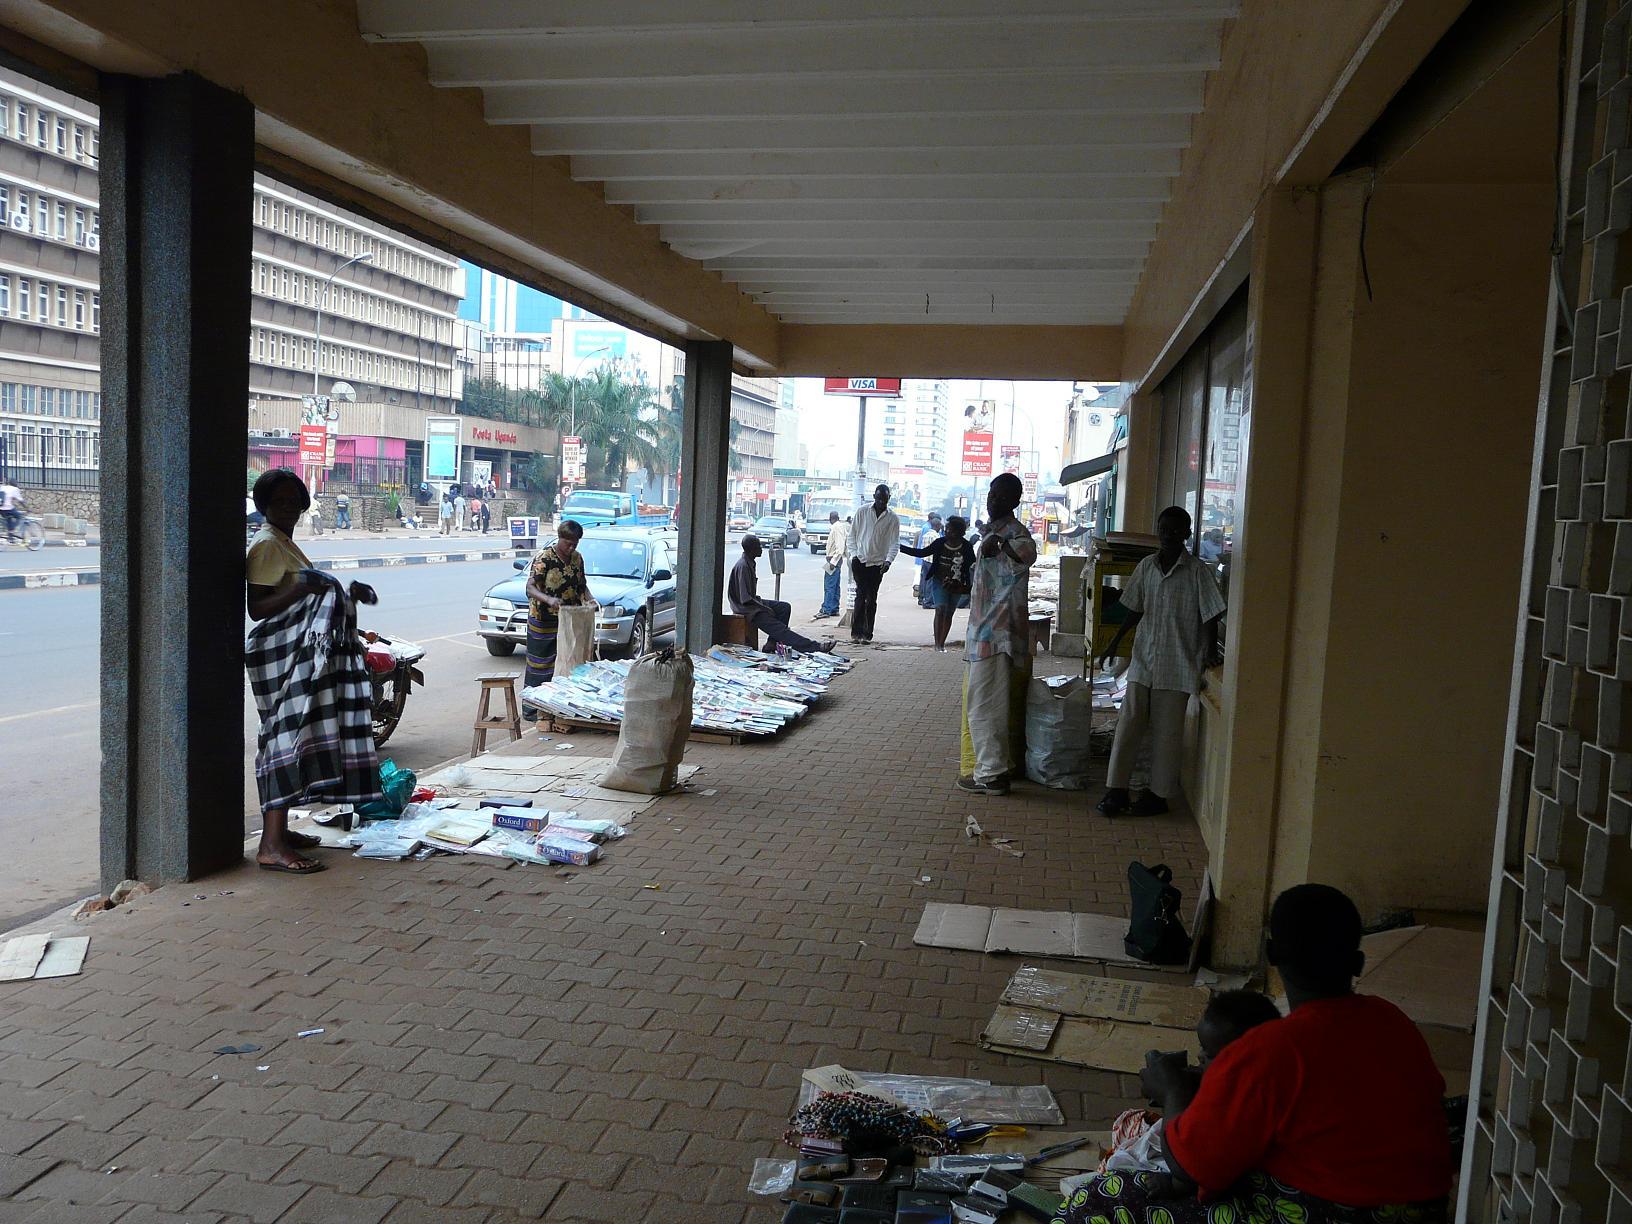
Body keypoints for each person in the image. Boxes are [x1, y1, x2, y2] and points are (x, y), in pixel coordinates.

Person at [1062, 885, 1454, 1224]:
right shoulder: (1392, 1020)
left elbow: (1191, 1166)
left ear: (1271, 953)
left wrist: (1172, 1091)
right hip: (1425, 1209)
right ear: (1358, 962)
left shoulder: (1273, 1048)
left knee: (1097, 1200)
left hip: (1331, 1211)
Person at [244, 468, 380, 875]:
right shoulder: (266, 544)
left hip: (300, 658)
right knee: (282, 740)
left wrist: (345, 595)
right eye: (280, 501)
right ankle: (270, 846)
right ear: (264, 505)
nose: (289, 507)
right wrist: (303, 586)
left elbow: (308, 602)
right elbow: (258, 608)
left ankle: (280, 833)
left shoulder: (283, 543)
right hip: (284, 660)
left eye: (295, 501)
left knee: (296, 737)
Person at [1097, 506, 1226, 817]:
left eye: (1176, 530)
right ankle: (1116, 790)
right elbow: (1134, 608)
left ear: (1187, 534)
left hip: (1178, 664)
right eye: (1164, 529)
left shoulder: (1198, 572)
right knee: (1128, 725)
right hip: (1144, 660)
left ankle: (1158, 797)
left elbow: (1211, 614)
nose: (1169, 535)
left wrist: (1210, 649)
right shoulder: (1146, 566)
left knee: (1167, 734)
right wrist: (1114, 642)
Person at [1097, 991, 1282, 1186]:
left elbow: (1189, 1165)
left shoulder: (1251, 1109)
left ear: (1244, 1066)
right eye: (1202, 1047)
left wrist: (1173, 1094)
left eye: (1209, 1054)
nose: (1200, 1056)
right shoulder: (1256, 1084)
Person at [958, 474, 1036, 795]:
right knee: (985, 703)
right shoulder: (990, 533)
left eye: (1002, 497)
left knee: (985, 705)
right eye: (992, 494)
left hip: (997, 634)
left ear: (1015, 502)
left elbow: (1026, 554)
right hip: (983, 632)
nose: (994, 501)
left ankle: (992, 774)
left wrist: (1002, 545)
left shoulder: (1016, 534)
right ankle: (995, 768)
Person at [729, 536, 836, 655]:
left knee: (784, 607)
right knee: (780, 629)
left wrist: (764, 606)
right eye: (758, 546)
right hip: (746, 608)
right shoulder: (743, 566)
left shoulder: (749, 563)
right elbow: (745, 599)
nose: (761, 549)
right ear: (751, 549)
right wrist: (765, 608)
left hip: (752, 602)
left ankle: (771, 642)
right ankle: (814, 647)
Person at [524, 518, 592, 690]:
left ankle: (559, 700)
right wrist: (549, 600)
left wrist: (590, 599)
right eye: (568, 544)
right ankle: (535, 703)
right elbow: (530, 587)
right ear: (560, 538)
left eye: (575, 544)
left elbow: (582, 586)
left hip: (568, 620)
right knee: (541, 665)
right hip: (543, 620)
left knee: (567, 661)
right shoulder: (545, 557)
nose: (571, 548)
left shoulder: (577, 558)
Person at [899, 515, 975, 651]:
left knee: (949, 613)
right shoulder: (939, 543)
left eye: (949, 529)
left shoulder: (967, 547)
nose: (946, 531)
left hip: (957, 585)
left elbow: (972, 565)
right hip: (939, 581)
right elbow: (922, 553)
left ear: (958, 532)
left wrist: (968, 586)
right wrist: (900, 547)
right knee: (940, 610)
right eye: (946, 529)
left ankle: (942, 642)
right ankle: (937, 645)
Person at [849, 484, 899, 644]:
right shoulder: (862, 511)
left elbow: (894, 543)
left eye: (884, 499)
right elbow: (852, 535)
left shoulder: (892, 518)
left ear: (888, 498)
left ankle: (867, 634)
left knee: (871, 599)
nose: (881, 502)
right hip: (860, 561)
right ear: (874, 497)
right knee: (860, 596)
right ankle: (856, 633)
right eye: (878, 499)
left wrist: (888, 561)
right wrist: (854, 556)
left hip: (878, 565)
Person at [816, 511, 848, 619]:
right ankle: (834, 608)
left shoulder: (836, 528)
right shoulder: (840, 527)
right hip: (834, 559)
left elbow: (840, 548)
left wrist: (833, 562)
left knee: (829, 585)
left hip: (833, 560)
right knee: (834, 585)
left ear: (831, 518)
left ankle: (826, 609)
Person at [915, 512, 944, 608]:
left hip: (925, 560)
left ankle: (923, 598)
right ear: (937, 526)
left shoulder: (926, 535)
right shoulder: (936, 536)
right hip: (932, 561)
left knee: (924, 580)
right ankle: (928, 602)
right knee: (931, 582)